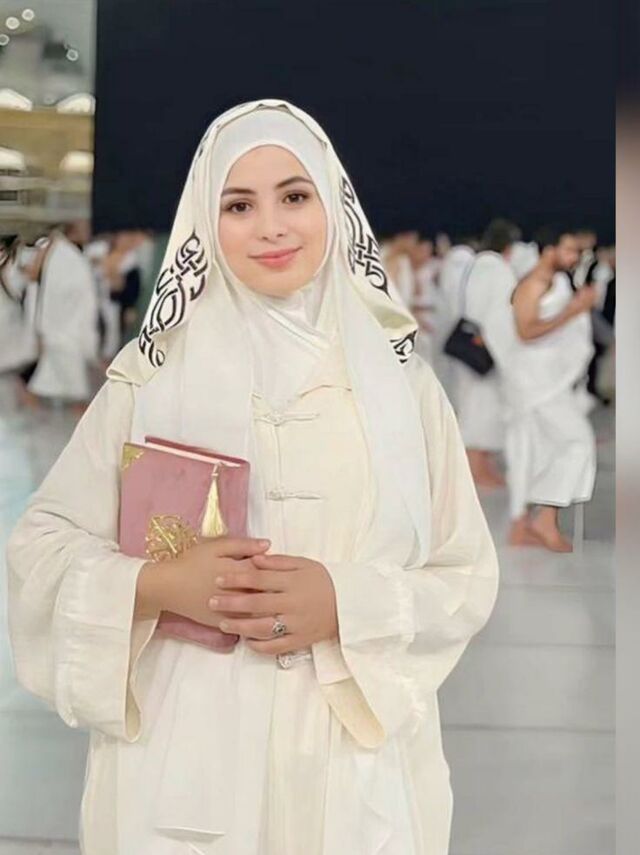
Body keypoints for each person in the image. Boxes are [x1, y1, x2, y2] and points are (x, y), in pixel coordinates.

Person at [7, 100, 499, 855]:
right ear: (206, 221)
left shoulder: (404, 384)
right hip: (185, 756)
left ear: (332, 205)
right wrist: (156, 584)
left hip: (349, 758)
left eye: (294, 196)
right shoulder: (150, 377)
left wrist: (344, 602)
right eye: (239, 205)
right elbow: (40, 547)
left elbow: (463, 573)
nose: (271, 227)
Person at [484, 227, 598, 551]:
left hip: (549, 380)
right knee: (577, 442)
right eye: (569, 250)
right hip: (534, 383)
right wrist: (573, 311)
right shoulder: (533, 283)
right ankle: (544, 519)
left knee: (536, 449)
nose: (574, 257)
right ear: (549, 250)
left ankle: (524, 524)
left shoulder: (555, 281)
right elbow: (526, 331)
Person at [455, 218, 520, 487]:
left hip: (478, 342)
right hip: (486, 345)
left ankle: (482, 465)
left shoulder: (478, 264)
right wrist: (504, 348)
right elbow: (498, 311)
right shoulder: (495, 268)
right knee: (480, 408)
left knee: (479, 405)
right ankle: (476, 469)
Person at [27, 220, 100, 408]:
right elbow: (56, 290)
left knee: (54, 375)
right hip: (64, 327)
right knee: (70, 380)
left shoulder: (67, 253)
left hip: (64, 325)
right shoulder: (62, 253)